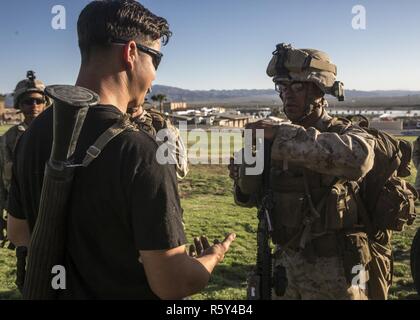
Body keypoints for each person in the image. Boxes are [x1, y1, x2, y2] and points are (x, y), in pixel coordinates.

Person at [8, 0, 234, 299]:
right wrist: (213, 256)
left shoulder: (34, 132)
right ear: (130, 53)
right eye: (156, 59)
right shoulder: (141, 150)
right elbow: (173, 283)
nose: (154, 76)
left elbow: (18, 233)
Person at [230, 43, 377, 299]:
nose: (287, 95)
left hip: (334, 270)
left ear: (320, 92)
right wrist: (243, 173)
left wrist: (280, 135)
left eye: (297, 87)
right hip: (285, 264)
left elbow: (360, 158)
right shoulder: (271, 138)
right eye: (282, 87)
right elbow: (249, 197)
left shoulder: (343, 132)